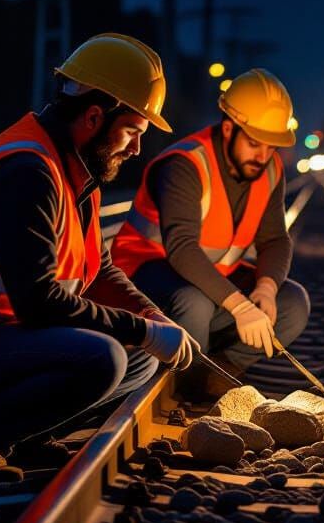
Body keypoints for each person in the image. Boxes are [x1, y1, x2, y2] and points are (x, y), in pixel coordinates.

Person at [0, 34, 198, 481]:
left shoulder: (75, 170)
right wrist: (142, 329)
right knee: (103, 359)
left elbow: (98, 269)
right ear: (95, 116)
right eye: (133, 131)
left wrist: (152, 318)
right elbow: (40, 304)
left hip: (1, 336)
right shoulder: (28, 172)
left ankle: (22, 433)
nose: (136, 149)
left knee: (142, 359)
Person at [111, 68, 309, 400]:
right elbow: (182, 248)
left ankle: (219, 372)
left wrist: (266, 288)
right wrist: (240, 307)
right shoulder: (185, 164)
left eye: (271, 146)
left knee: (293, 303)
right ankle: (187, 392)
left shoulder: (270, 169)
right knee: (194, 301)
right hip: (143, 281)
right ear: (229, 128)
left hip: (208, 281)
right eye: (254, 143)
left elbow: (274, 239)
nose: (262, 156)